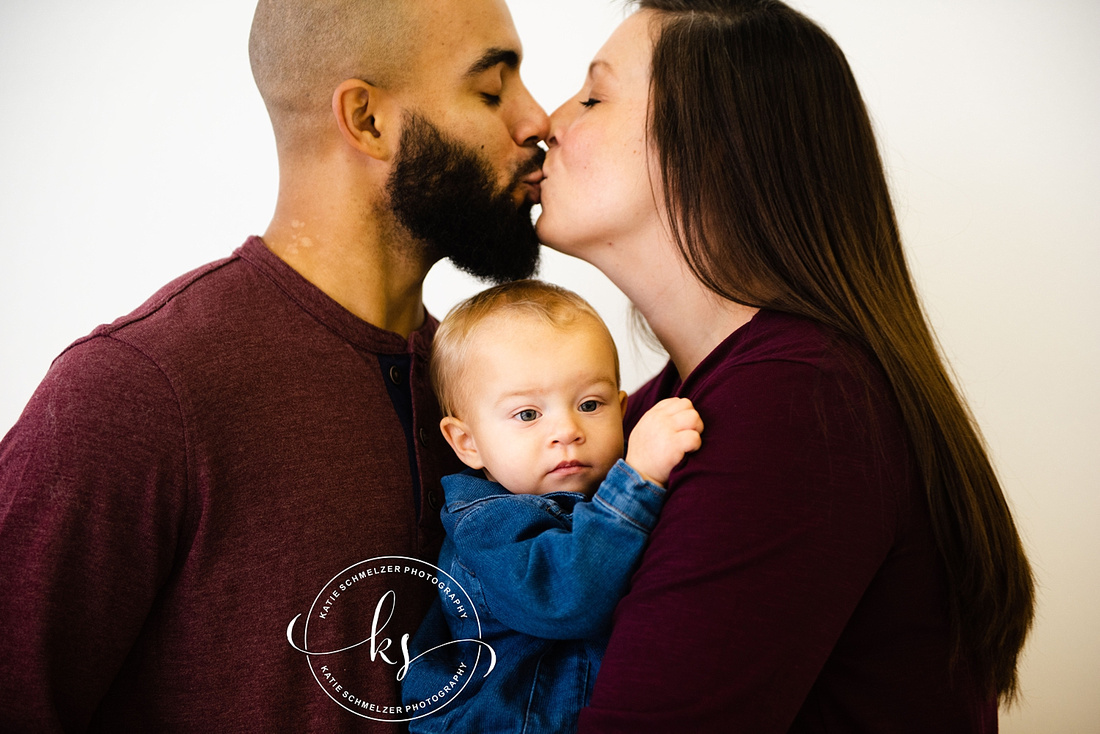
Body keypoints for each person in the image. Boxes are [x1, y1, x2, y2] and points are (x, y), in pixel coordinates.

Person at [0, 0, 549, 731]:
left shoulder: (499, 397)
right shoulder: (139, 389)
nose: (537, 119)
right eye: (490, 89)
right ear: (367, 120)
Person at [536, 1, 1036, 732]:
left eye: (593, 95)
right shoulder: (666, 407)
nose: (549, 120)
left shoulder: (799, 404)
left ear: (709, 147)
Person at [399, 280, 703, 732]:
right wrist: (638, 480)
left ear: (622, 410)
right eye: (528, 414)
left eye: (589, 403)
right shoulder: (486, 523)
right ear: (467, 443)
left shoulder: (600, 492)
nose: (567, 429)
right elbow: (566, 599)